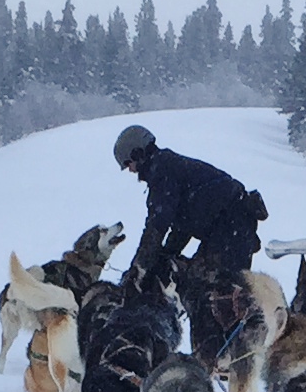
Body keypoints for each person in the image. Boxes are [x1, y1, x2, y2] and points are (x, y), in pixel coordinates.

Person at [114, 124, 268, 353]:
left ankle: (235, 346)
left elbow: (157, 225)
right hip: (229, 226)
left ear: (139, 153)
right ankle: (223, 346)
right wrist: (165, 255)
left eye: (128, 163)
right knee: (201, 282)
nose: (130, 170)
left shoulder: (162, 172)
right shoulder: (169, 167)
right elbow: (182, 225)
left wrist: (140, 268)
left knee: (210, 285)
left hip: (232, 227)